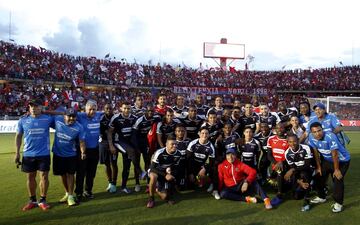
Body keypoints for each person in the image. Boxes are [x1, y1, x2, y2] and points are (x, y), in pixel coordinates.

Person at [15, 97, 54, 211]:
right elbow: (18, 136)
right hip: (28, 154)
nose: (33, 108)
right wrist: (17, 153)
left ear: (41, 107)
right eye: (31, 106)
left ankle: (42, 200)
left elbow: (62, 121)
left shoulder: (48, 119)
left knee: (44, 177)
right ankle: (32, 200)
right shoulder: (23, 120)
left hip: (44, 154)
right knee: (30, 177)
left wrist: (48, 111)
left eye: (36, 106)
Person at [308, 122, 351, 213]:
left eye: (319, 130)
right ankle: (321, 196)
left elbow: (334, 154)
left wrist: (336, 169)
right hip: (327, 160)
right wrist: (319, 167)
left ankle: (339, 203)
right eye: (314, 132)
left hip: (342, 161)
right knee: (318, 176)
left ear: (322, 129)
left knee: (337, 179)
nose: (318, 133)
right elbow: (315, 152)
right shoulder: (311, 138)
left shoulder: (330, 136)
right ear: (311, 133)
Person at [108, 102, 145, 194]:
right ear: (121, 108)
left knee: (127, 164)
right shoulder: (116, 118)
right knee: (131, 151)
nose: (126, 110)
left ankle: (124, 186)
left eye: (128, 108)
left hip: (129, 143)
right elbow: (109, 132)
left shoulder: (134, 118)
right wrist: (111, 145)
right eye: (124, 108)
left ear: (131, 109)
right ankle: (140, 172)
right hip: (119, 142)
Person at [52, 108, 86, 206]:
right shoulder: (57, 120)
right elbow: (45, 115)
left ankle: (71, 196)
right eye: (69, 116)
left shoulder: (79, 127)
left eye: (73, 117)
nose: (71, 118)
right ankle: (67, 193)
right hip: (58, 154)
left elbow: (81, 141)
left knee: (70, 174)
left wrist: (83, 152)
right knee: (62, 174)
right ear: (64, 116)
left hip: (71, 155)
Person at [75, 100, 103, 201]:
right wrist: (43, 112)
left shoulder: (99, 114)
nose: (92, 111)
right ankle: (78, 193)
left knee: (91, 173)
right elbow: (64, 113)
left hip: (95, 149)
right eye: (90, 109)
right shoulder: (80, 116)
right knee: (81, 173)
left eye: (94, 109)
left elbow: (109, 112)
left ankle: (88, 191)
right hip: (82, 150)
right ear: (85, 109)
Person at [146, 135, 182, 208]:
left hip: (166, 173)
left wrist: (171, 173)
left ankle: (158, 189)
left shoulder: (178, 154)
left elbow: (176, 167)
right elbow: (152, 168)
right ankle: (151, 198)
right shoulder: (159, 152)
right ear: (166, 144)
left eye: (176, 144)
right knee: (153, 177)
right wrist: (165, 175)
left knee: (165, 196)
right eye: (172, 144)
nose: (174, 146)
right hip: (156, 171)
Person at [133, 104, 161, 192]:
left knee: (147, 162)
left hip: (145, 142)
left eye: (152, 111)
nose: (150, 113)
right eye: (148, 111)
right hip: (137, 141)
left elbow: (162, 118)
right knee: (137, 163)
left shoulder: (155, 118)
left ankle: (149, 184)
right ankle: (137, 183)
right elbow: (134, 135)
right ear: (145, 111)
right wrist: (136, 147)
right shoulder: (140, 120)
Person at [186, 127, 219, 199]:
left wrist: (204, 168)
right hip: (193, 165)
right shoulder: (192, 143)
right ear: (199, 134)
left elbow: (211, 161)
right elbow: (189, 159)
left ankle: (212, 183)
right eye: (202, 133)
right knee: (191, 182)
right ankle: (198, 180)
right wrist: (190, 173)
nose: (204, 135)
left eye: (206, 133)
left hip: (203, 165)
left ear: (209, 135)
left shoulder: (211, 146)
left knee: (213, 169)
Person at [284, 135, 313, 212]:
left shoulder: (306, 148)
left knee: (304, 174)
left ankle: (307, 200)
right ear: (287, 142)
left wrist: (293, 169)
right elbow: (294, 170)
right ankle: (309, 185)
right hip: (297, 172)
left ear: (298, 141)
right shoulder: (287, 153)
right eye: (290, 142)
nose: (292, 144)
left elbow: (307, 165)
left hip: (309, 169)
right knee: (296, 197)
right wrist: (300, 182)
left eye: (294, 141)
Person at [267, 122, 289, 206]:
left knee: (279, 172)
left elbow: (290, 155)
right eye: (277, 128)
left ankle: (280, 195)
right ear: (275, 129)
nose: (279, 130)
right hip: (274, 163)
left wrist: (281, 163)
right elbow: (269, 154)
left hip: (285, 163)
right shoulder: (271, 139)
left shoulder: (288, 139)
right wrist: (276, 163)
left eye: (281, 128)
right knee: (271, 183)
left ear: (285, 129)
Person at [99, 103, 118, 193]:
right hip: (104, 143)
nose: (108, 110)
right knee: (107, 164)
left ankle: (114, 183)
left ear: (113, 109)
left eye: (110, 108)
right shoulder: (101, 119)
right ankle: (110, 182)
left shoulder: (116, 118)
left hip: (114, 143)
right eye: (107, 108)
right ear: (104, 109)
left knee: (113, 163)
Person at [174, 124, 191, 190]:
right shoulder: (172, 142)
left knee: (184, 187)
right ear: (175, 132)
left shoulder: (189, 141)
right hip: (175, 165)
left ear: (184, 132)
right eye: (178, 131)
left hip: (186, 164)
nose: (180, 132)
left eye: (182, 131)